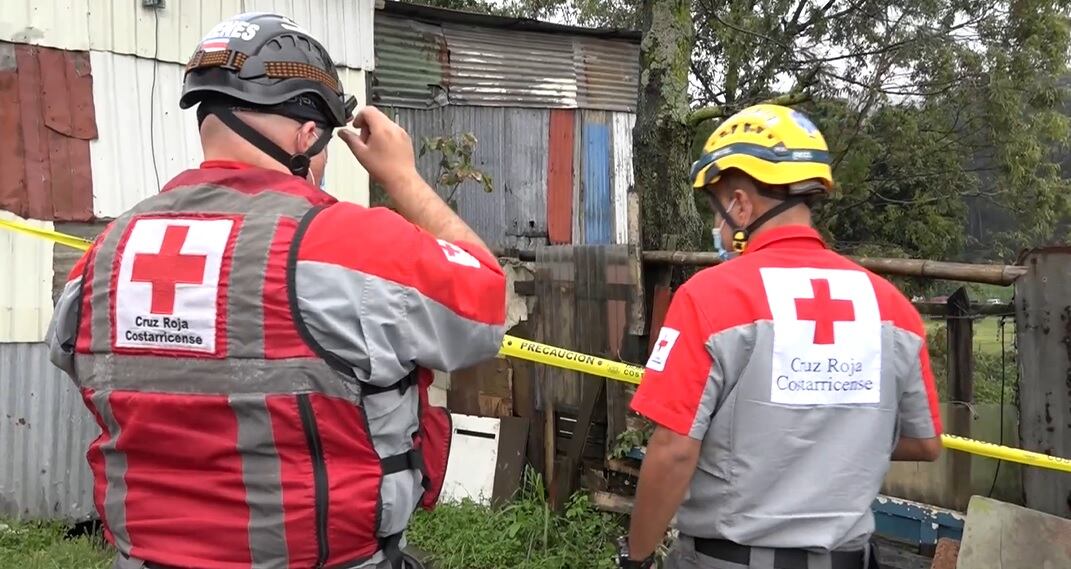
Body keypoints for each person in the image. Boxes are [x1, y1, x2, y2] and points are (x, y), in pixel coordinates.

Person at [45, 12, 506, 569]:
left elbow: (71, 356)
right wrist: (402, 177)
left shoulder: (106, 251)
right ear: (307, 133)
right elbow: (484, 309)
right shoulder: (345, 241)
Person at [615, 104, 943, 569]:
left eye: (717, 212)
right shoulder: (894, 307)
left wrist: (638, 559)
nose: (717, 229)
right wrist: (833, 435)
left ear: (742, 203)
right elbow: (926, 443)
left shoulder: (708, 298)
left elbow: (672, 451)